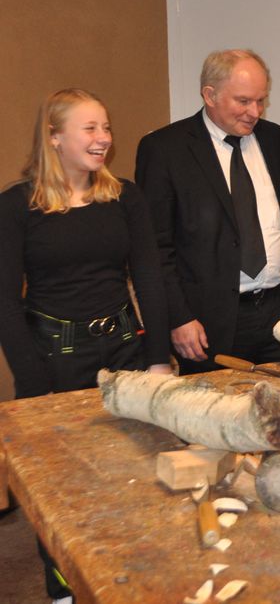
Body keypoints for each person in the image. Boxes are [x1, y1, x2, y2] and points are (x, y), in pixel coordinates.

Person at [0, 88, 172, 603]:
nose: (104, 139)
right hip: (55, 361)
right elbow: (6, 304)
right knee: (63, 493)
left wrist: (159, 359)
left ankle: (126, 582)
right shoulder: (16, 206)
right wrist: (34, 389)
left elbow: (149, 278)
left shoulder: (125, 196)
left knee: (133, 478)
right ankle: (64, 592)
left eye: (106, 128)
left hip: (125, 352)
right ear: (54, 137)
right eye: (90, 129)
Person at [136, 49, 280, 374]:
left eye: (261, 100)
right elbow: (156, 250)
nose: (254, 112)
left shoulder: (273, 138)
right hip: (207, 323)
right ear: (209, 95)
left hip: (276, 314)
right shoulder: (164, 150)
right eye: (243, 101)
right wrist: (178, 317)